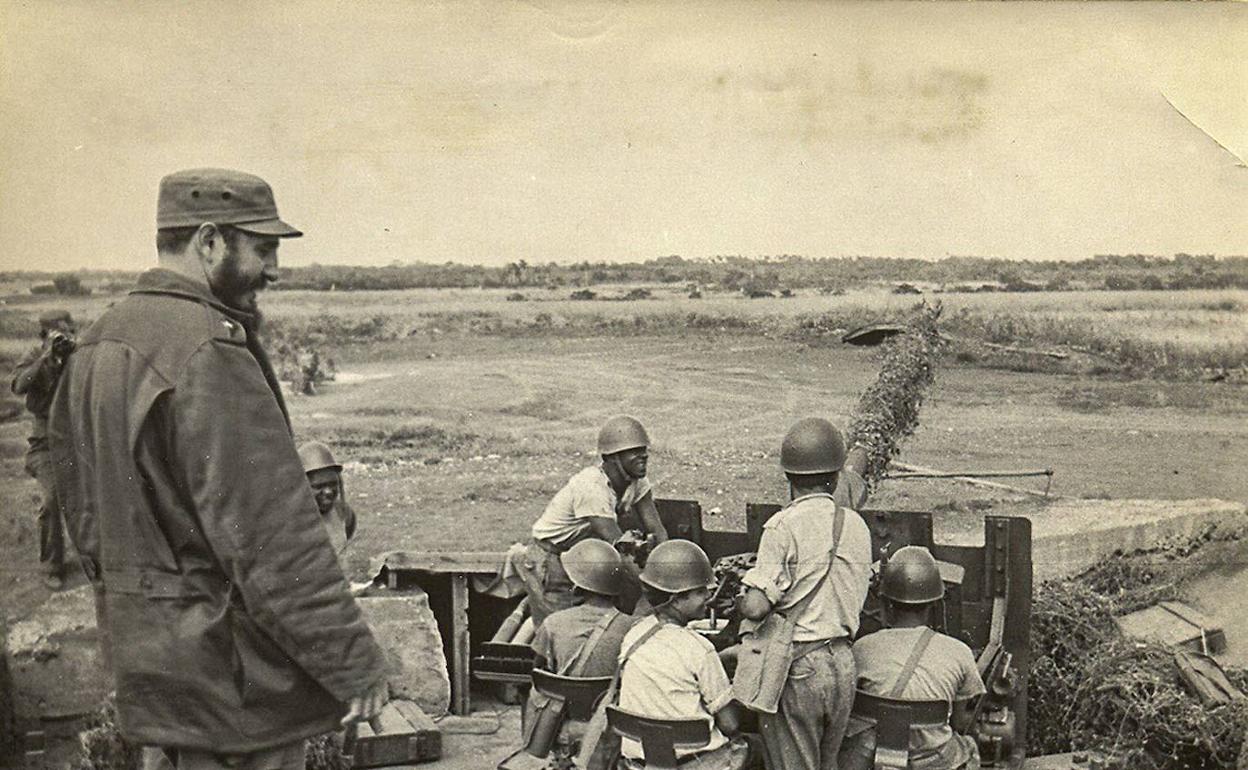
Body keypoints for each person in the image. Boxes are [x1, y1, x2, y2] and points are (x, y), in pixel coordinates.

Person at [48, 168, 388, 770]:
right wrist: (352, 660)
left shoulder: (98, 344)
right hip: (235, 690)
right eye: (263, 248)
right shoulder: (207, 350)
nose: (275, 269)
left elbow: (81, 512)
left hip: (153, 673)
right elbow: (271, 537)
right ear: (209, 242)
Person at [735, 417, 873, 770]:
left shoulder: (783, 526)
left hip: (799, 668)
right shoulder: (856, 526)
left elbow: (755, 607)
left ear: (788, 477)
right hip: (843, 664)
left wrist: (744, 587)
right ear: (837, 475)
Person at [616, 539, 759, 770]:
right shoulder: (699, 648)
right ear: (677, 597)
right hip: (698, 764)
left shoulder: (634, 635)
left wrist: (721, 658)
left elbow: (669, 674)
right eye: (701, 591)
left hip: (642, 763)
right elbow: (730, 724)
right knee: (763, 746)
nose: (708, 598)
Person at [841, 546, 985, 770]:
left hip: (873, 760)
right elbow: (960, 722)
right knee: (968, 746)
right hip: (933, 761)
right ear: (934, 603)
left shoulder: (861, 648)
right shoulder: (959, 652)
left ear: (888, 603)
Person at [524, 416, 669, 625]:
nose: (643, 456)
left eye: (644, 450)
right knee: (560, 629)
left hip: (580, 555)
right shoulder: (591, 486)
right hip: (550, 558)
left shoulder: (637, 481)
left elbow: (658, 531)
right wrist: (654, 588)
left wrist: (671, 573)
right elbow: (620, 547)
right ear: (613, 458)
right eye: (634, 451)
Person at [523, 539, 637, 767]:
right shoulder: (635, 627)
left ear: (577, 586)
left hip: (564, 727)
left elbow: (539, 674)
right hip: (614, 732)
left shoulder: (552, 624)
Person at [10, 309, 77, 590]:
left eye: (70, 330)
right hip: (45, 443)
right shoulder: (34, 355)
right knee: (51, 501)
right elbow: (18, 386)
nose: (67, 336)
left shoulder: (77, 356)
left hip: (77, 439)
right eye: (60, 331)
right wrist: (47, 358)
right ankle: (52, 564)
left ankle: (96, 558)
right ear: (45, 334)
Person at [298, 441, 357, 556]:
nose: (328, 491)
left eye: (333, 484)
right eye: (318, 486)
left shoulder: (343, 513)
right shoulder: (288, 521)